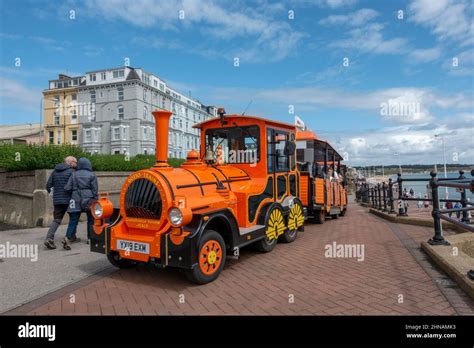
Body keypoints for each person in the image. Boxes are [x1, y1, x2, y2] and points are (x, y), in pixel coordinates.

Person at [62, 157, 98, 250]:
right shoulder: (92, 175)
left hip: (75, 198)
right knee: (91, 219)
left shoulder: (73, 174)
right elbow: (95, 190)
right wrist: (95, 199)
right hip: (89, 198)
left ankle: (68, 237)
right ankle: (90, 238)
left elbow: (67, 188)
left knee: (73, 220)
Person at [44, 156, 77, 249]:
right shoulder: (72, 172)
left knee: (57, 220)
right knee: (73, 218)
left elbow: (48, 185)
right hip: (70, 199)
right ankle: (70, 237)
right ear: (71, 162)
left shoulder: (55, 172)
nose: (76, 164)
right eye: (75, 162)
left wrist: (53, 194)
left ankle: (49, 238)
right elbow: (74, 186)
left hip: (57, 200)